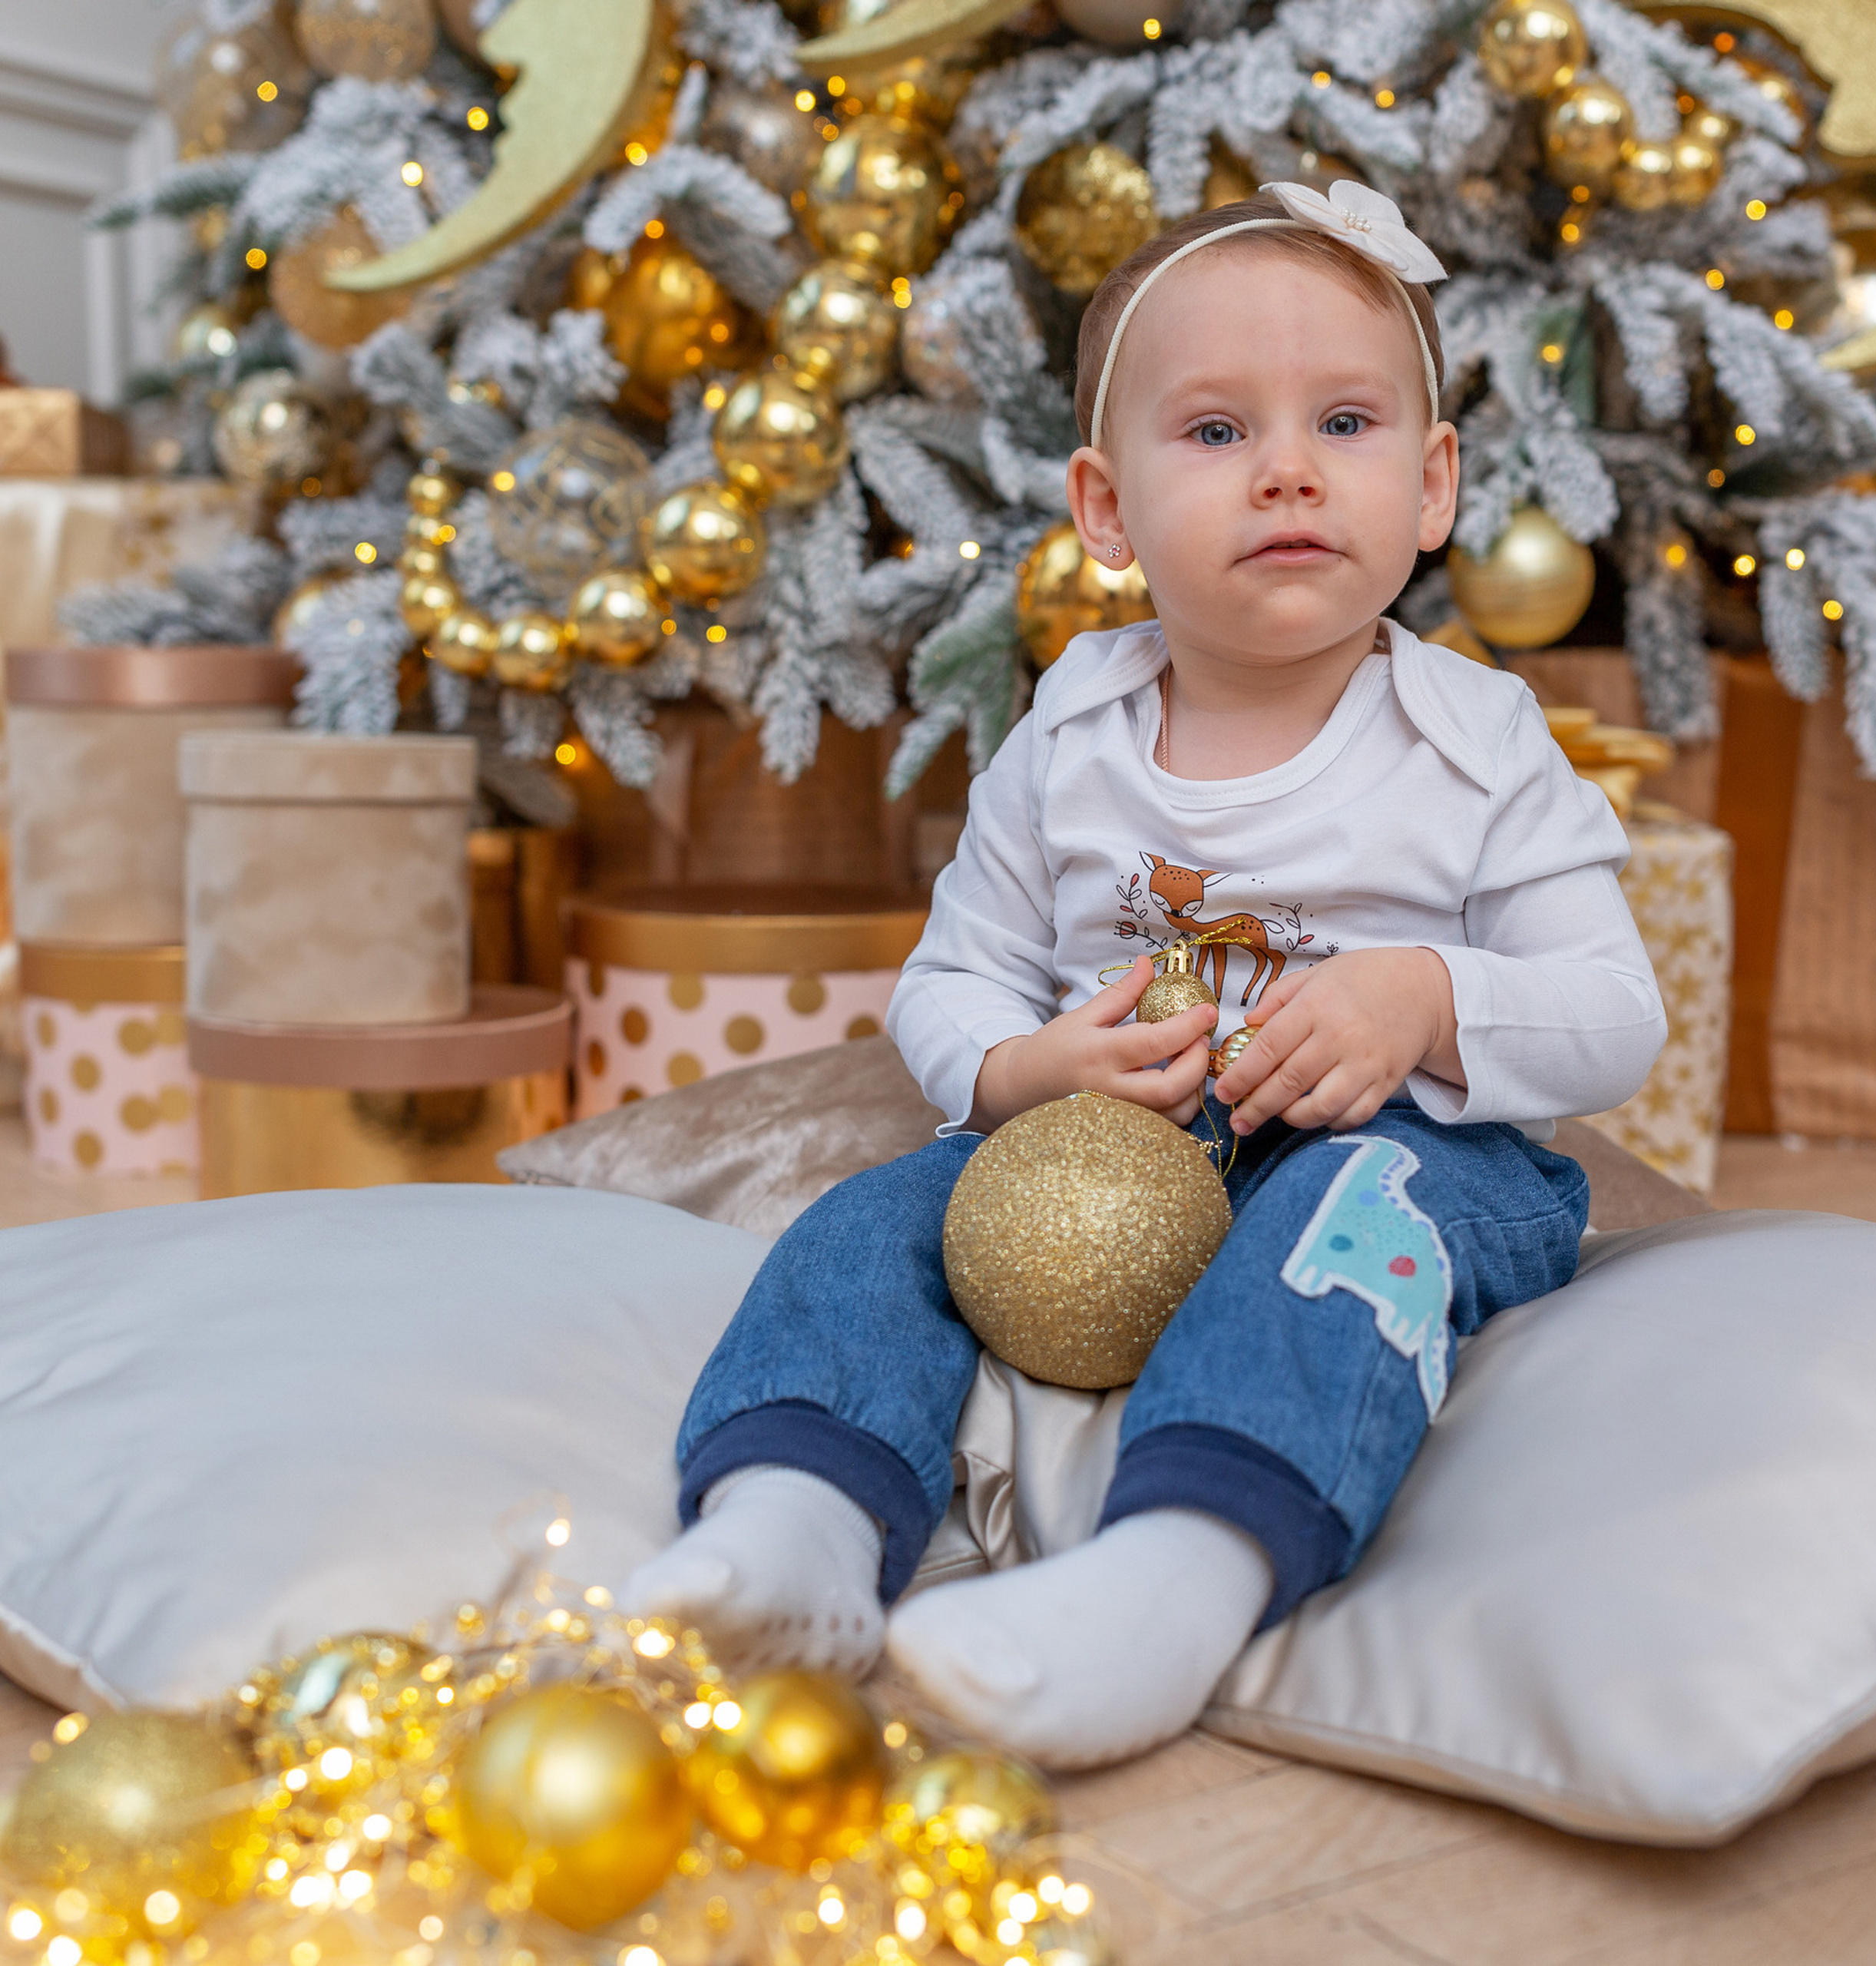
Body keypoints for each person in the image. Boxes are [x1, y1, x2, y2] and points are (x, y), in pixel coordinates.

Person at [625, 183, 1667, 1769]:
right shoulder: (1072, 733)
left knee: (1347, 1243)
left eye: (1344, 422)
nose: (1288, 470)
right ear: (1105, 512)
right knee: (881, 1218)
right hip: (1105, 1157)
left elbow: (1612, 1012)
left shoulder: (1475, 742)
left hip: (1406, 1156)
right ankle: (795, 1520)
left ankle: (1178, 1577)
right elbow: (953, 975)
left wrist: (1424, 999)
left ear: (1432, 483)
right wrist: (1018, 1070)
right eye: (1216, 431)